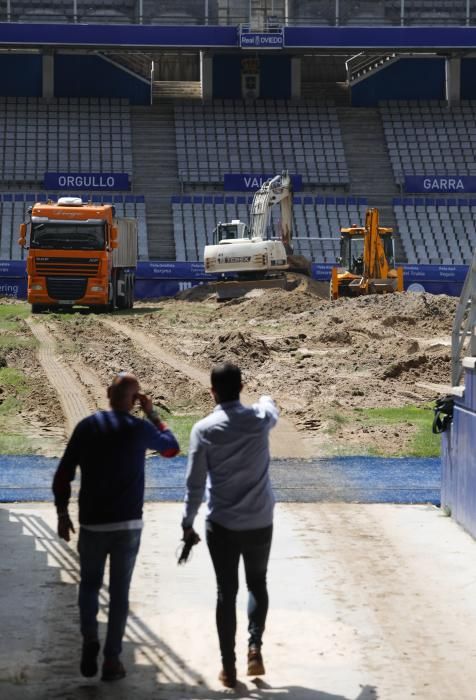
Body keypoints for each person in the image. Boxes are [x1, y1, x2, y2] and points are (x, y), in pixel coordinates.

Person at [52, 372, 179, 682]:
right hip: (127, 525)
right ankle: (111, 660)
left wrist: (61, 513)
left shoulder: (87, 427)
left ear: (108, 392)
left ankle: (89, 639)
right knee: (120, 593)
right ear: (134, 401)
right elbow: (172, 448)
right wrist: (152, 413)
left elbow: (63, 474)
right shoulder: (140, 429)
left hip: (92, 524)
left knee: (89, 585)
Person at [181, 361, 278, 688]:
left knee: (226, 591)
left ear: (212, 391)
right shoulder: (259, 420)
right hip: (260, 521)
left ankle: (229, 668)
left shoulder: (204, 430)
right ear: (240, 388)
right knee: (257, 583)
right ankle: (255, 646)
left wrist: (187, 522)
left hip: (221, 524)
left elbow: (194, 485)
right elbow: (269, 408)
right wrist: (264, 396)